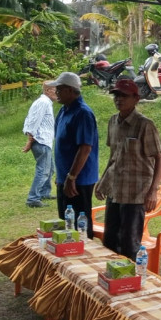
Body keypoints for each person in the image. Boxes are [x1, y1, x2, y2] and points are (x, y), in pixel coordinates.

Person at [94, 79, 161, 259]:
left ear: (136, 98)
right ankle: (112, 281)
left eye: (124, 96)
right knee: (109, 241)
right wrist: (102, 181)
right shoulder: (112, 122)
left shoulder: (144, 125)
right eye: (116, 95)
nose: (119, 99)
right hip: (115, 191)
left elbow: (159, 157)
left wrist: (153, 191)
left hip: (135, 194)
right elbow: (113, 156)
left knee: (129, 244)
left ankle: (130, 283)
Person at [51, 71, 100, 238]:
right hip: (65, 177)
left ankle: (86, 256)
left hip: (79, 179)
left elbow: (85, 148)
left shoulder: (83, 113)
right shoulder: (64, 110)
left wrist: (71, 177)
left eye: (59, 90)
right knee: (66, 221)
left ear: (70, 90)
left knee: (81, 225)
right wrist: (62, 175)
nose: (56, 93)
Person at [22, 81, 56, 208]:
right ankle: (33, 198)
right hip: (41, 141)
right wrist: (30, 141)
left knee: (50, 168)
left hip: (44, 141)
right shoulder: (43, 102)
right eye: (54, 90)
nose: (57, 93)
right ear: (47, 91)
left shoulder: (46, 103)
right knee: (43, 170)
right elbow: (33, 122)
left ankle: (44, 192)